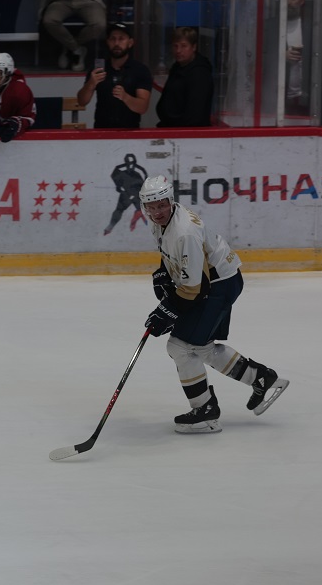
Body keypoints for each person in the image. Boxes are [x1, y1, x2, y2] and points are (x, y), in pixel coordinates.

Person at [139, 175, 288, 433]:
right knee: (199, 347)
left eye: (161, 205)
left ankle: (205, 409)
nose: (157, 212)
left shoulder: (184, 232)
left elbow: (194, 287)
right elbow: (172, 255)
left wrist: (167, 310)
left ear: (171, 201)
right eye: (151, 207)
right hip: (212, 282)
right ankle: (261, 378)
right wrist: (164, 272)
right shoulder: (161, 222)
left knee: (181, 346)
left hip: (219, 285)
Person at [76, 22, 151, 128]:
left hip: (130, 131)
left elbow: (143, 108)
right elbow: (81, 101)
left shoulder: (140, 70)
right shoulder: (98, 69)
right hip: (101, 131)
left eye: (121, 39)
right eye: (112, 39)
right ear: (107, 42)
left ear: (130, 43)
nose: (116, 43)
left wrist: (125, 97)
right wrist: (91, 84)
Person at [155, 26, 212, 127]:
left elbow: (195, 113)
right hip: (170, 128)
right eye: (175, 46)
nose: (178, 50)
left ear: (193, 47)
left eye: (183, 46)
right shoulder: (177, 67)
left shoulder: (200, 73)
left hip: (187, 132)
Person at [103, 152, 146, 235]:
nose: (130, 166)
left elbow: (143, 185)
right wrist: (119, 187)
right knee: (119, 210)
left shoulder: (137, 174)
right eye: (129, 163)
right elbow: (114, 175)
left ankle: (134, 222)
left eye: (132, 163)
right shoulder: (122, 174)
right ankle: (111, 226)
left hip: (136, 195)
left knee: (142, 209)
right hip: (126, 195)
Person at [284, 0, 310, 115]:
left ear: (302, 1)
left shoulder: (312, 27)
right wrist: (281, 56)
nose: (288, 2)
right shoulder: (271, 25)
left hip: (306, 99)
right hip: (278, 98)